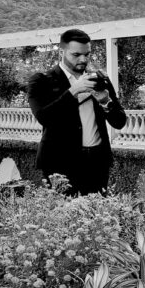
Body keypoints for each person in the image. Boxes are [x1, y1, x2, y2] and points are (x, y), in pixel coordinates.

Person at [27, 29, 127, 196]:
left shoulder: (98, 79)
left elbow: (119, 122)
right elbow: (44, 117)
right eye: (76, 55)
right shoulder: (41, 81)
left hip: (97, 163)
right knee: (63, 212)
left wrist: (105, 101)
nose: (83, 59)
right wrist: (73, 91)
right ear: (61, 52)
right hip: (59, 165)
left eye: (87, 54)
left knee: (97, 211)